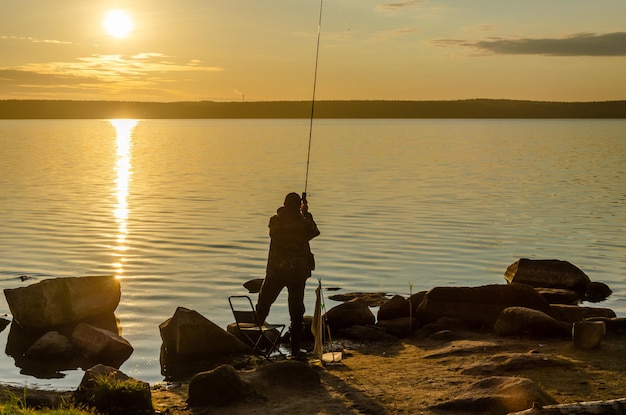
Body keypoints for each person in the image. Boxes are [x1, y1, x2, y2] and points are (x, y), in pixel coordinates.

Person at [256, 192, 320, 357]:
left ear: (284, 204)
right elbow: (314, 232)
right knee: (296, 310)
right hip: (297, 273)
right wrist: (305, 212)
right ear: (298, 205)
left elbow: (274, 233)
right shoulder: (303, 222)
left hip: (276, 271)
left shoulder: (274, 221)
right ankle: (295, 348)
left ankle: (255, 344)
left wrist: (301, 213)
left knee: (263, 304)